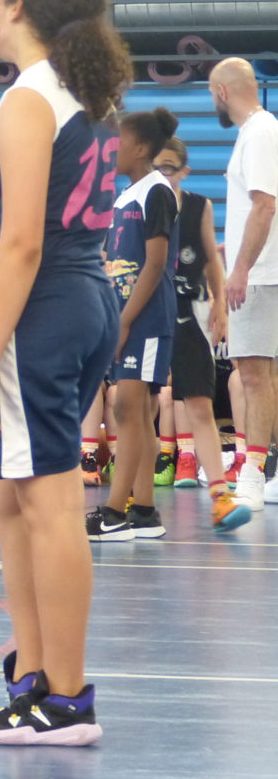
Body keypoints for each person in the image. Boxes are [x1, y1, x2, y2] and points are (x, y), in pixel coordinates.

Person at [0, 0, 126, 746]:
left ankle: (65, 698)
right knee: (12, 497)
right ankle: (31, 674)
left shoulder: (28, 98)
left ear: (20, 5)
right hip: (88, 297)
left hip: (45, 306)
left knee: (54, 507)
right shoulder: (85, 94)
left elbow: (22, 242)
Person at [87, 107, 180, 542]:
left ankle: (113, 511)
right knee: (136, 411)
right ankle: (143, 510)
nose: (110, 150)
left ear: (140, 148)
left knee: (128, 408)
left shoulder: (156, 191)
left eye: (117, 142)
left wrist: (124, 322)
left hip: (146, 319)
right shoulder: (125, 195)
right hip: (123, 316)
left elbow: (155, 264)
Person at [152, 137, 247, 530]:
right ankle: (132, 498)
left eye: (169, 167)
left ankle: (220, 497)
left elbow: (209, 258)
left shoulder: (198, 206)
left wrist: (220, 305)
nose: (162, 174)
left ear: (184, 171)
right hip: (147, 313)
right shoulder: (136, 202)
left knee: (200, 404)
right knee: (138, 405)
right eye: (156, 167)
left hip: (188, 313)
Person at [207, 57, 278, 508]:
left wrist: (241, 269)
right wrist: (230, 247)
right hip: (262, 268)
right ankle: (267, 470)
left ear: (222, 92)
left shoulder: (258, 133)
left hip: (261, 273)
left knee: (252, 374)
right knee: (264, 375)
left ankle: (251, 473)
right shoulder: (261, 131)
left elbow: (265, 206)